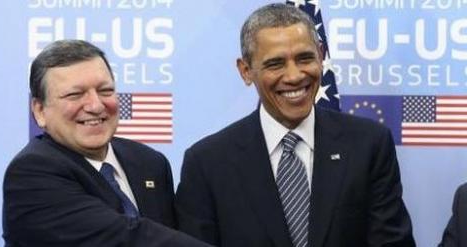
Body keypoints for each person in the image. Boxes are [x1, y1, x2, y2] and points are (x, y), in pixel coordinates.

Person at [175, 3, 416, 247]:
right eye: (275, 64)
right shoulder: (207, 163)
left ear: (321, 56)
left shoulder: (368, 145)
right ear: (246, 71)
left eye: (305, 58)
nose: (294, 76)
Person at [2, 40, 210, 247]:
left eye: (105, 91)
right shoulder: (31, 173)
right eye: (75, 95)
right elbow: (126, 238)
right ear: (39, 110)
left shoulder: (150, 162)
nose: (95, 105)